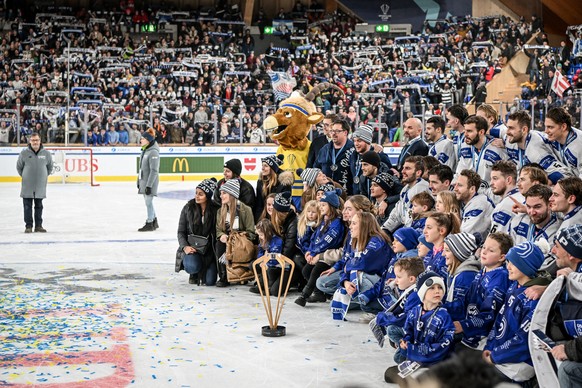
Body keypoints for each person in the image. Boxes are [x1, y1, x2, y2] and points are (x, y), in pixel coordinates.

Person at [483, 241, 552, 384]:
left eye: (513, 263)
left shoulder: (533, 299)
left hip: (519, 364)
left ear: (525, 267)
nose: (508, 266)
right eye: (508, 261)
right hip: (500, 355)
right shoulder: (515, 285)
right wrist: (489, 347)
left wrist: (494, 356)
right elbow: (500, 320)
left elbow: (523, 341)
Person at [384, 271, 455, 384]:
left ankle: (426, 375)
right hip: (416, 355)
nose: (437, 291)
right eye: (432, 288)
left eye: (440, 288)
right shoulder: (415, 311)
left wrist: (415, 349)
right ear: (422, 292)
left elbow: (445, 344)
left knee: (424, 377)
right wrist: (405, 341)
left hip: (435, 359)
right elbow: (409, 331)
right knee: (390, 370)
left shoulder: (444, 315)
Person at [454, 232, 513, 354]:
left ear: (502, 257)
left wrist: (463, 325)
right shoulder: (482, 272)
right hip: (469, 337)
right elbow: (464, 303)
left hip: (483, 344)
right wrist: (441, 308)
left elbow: (489, 316)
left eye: (491, 250)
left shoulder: (500, 278)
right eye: (484, 247)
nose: (484, 252)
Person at [335, 211, 392, 316]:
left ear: (364, 226)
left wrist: (348, 266)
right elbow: (347, 265)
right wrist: (345, 283)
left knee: (360, 274)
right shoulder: (356, 242)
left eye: (354, 223)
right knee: (327, 289)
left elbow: (363, 263)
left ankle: (369, 304)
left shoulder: (377, 241)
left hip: (383, 285)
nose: (350, 226)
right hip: (369, 283)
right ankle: (360, 301)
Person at [295, 188, 345, 306]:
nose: (320, 207)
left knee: (316, 269)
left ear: (331, 206)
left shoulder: (337, 223)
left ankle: (304, 295)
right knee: (306, 270)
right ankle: (319, 294)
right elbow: (315, 238)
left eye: (323, 205)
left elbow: (327, 242)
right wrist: (310, 251)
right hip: (318, 253)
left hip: (329, 256)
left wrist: (315, 253)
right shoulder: (324, 220)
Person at [493, 110, 571, 184]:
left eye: (511, 128)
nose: (507, 132)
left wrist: (542, 183)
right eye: (507, 127)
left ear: (524, 130)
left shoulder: (536, 151)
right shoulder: (511, 137)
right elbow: (497, 131)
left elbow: (564, 173)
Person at [369, 257, 424, 360]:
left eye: (399, 277)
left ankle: (412, 354)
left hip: (419, 332)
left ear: (412, 279)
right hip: (414, 328)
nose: (396, 280)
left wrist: (386, 318)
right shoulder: (411, 290)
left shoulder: (415, 295)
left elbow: (406, 318)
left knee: (397, 356)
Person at [176, 178, 219, 286]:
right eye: (196, 193)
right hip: (192, 248)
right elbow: (181, 232)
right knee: (192, 266)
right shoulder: (188, 208)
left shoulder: (216, 210)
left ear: (208, 196)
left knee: (210, 281)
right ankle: (194, 273)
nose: (197, 196)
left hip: (209, 251)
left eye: (201, 194)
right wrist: (185, 247)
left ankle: (204, 270)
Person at [215, 179, 256, 287]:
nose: (221, 196)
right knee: (219, 244)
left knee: (233, 245)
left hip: (241, 242)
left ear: (232, 194)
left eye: (224, 193)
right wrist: (222, 235)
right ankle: (223, 276)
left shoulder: (245, 210)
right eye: (220, 193)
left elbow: (251, 232)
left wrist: (237, 238)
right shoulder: (220, 211)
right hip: (227, 241)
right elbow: (218, 230)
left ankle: (241, 273)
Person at [455, 115, 508, 188]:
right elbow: (459, 173)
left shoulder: (497, 149)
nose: (465, 135)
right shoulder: (466, 148)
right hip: (472, 194)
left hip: (492, 195)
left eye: (469, 131)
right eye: (465, 130)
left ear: (481, 132)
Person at [16, 132, 53, 233]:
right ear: (30, 141)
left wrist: (43, 176)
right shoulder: (24, 153)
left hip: (40, 185)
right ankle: (28, 226)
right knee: (27, 206)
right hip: (27, 185)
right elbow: (19, 167)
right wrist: (25, 176)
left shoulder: (46, 154)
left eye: (37, 140)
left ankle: (38, 226)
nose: (35, 142)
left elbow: (50, 168)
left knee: (39, 206)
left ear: (40, 141)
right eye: (33, 140)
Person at [382, 156, 430, 234]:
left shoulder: (421, 189)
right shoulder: (406, 188)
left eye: (407, 168)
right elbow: (396, 214)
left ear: (418, 173)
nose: (403, 171)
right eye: (403, 168)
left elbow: (412, 219)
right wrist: (384, 230)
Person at [441, 232, 482, 321]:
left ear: (458, 253)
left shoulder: (466, 276)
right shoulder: (455, 272)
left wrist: (438, 308)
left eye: (447, 250)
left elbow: (461, 308)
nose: (443, 254)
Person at [313, 117, 355, 195]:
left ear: (345, 132)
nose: (333, 134)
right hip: (326, 195)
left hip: (347, 195)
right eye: (332, 131)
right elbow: (316, 168)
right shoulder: (325, 149)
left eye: (337, 131)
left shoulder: (354, 150)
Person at [349, 124, 392, 195]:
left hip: (373, 197)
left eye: (359, 141)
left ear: (368, 141)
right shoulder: (353, 156)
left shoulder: (380, 156)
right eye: (354, 141)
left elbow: (389, 178)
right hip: (357, 197)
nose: (356, 144)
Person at [454, 169, 495, 239]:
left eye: (460, 185)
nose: (455, 188)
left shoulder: (479, 203)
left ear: (472, 189)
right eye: (455, 185)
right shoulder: (465, 201)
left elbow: (463, 235)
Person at [545, 107, 582, 178]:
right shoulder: (554, 139)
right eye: (546, 127)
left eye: (550, 127)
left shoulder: (579, 144)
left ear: (563, 127)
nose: (546, 131)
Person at [254, 154, 293, 222]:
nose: (262, 168)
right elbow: (259, 205)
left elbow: (283, 207)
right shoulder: (260, 182)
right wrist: (259, 222)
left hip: (279, 218)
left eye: (265, 166)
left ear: (273, 169)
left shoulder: (284, 184)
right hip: (265, 216)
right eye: (262, 165)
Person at [423, 212, 461, 280]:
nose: (424, 231)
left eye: (429, 227)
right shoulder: (430, 253)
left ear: (442, 231)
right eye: (424, 227)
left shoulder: (446, 256)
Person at [489, 161, 524, 234]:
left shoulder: (504, 207)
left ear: (508, 180)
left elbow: (495, 241)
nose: (491, 183)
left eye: (495, 178)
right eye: (491, 179)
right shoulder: (522, 195)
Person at [137, 128, 160, 232]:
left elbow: (154, 170)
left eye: (142, 138)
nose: (140, 140)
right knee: (148, 202)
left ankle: (150, 222)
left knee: (148, 202)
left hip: (150, 182)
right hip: (144, 181)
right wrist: (139, 181)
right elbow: (141, 168)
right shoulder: (145, 150)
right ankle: (154, 221)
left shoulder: (153, 152)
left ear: (148, 140)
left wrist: (149, 185)